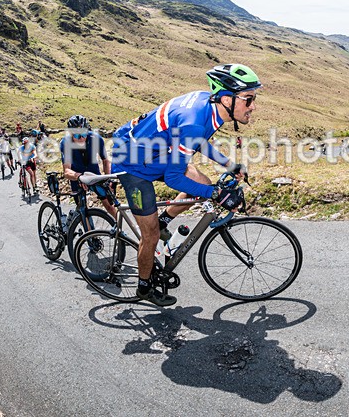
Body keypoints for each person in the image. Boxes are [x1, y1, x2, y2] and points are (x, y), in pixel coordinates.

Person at [111, 63, 260, 306]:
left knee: (201, 182)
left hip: (156, 155)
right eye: (248, 99)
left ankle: (164, 220)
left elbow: (197, 140)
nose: (253, 106)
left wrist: (230, 165)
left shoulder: (209, 106)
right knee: (149, 236)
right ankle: (144, 287)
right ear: (226, 98)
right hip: (132, 165)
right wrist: (215, 194)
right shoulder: (194, 119)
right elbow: (174, 178)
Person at [60, 115, 117, 219]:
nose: (81, 138)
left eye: (83, 134)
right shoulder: (66, 143)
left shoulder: (96, 139)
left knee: (109, 205)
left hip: (94, 174)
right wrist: (78, 177)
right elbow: (67, 171)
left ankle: (121, 231)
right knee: (83, 211)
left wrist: (108, 179)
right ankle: (89, 234)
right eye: (77, 136)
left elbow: (105, 160)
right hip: (77, 178)